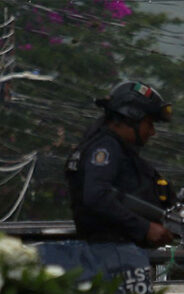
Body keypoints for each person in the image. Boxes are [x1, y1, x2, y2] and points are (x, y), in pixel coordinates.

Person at [65, 80, 176, 248]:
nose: (152, 132)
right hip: (110, 255)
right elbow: (96, 196)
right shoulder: (105, 148)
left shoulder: (121, 151)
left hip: (123, 255)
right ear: (131, 117)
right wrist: (145, 228)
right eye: (149, 123)